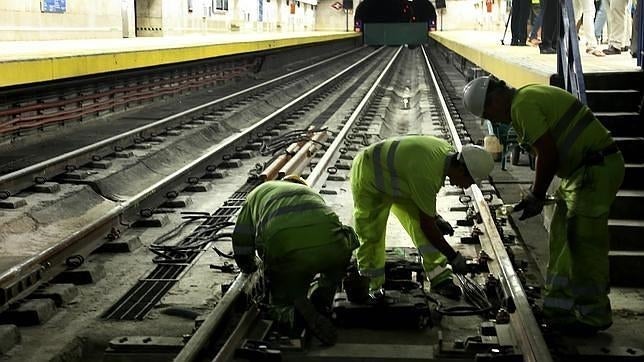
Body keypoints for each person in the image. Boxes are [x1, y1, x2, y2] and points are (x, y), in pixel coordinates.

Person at [462, 76, 625, 335]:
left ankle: (594, 315)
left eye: (489, 114)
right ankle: (558, 308)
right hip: (580, 174)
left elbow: (547, 154)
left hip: (595, 170)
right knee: (561, 235)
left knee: (583, 245)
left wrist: (537, 195)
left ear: (494, 101)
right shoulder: (526, 98)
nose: (495, 120)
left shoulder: (522, 105)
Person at [350, 135, 494, 300]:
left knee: (420, 224)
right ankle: (370, 285)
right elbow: (428, 226)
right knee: (371, 234)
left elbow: (424, 206)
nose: (466, 186)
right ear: (461, 169)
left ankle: (440, 278)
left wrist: (435, 218)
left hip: (398, 180)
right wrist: (453, 257)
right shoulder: (427, 175)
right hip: (369, 175)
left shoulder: (445, 153)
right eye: (469, 181)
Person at [232, 175, 360, 345]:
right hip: (334, 248)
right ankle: (321, 300)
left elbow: (241, 238)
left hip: (287, 251)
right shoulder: (310, 193)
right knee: (331, 266)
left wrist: (247, 264)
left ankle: (292, 315)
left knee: (281, 297)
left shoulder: (258, 193)